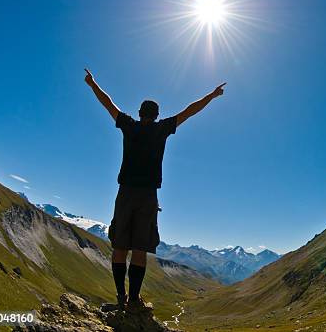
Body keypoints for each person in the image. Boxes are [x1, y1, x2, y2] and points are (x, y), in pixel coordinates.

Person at [84, 68, 225, 311]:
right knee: (140, 248)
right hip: (148, 196)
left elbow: (108, 103)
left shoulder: (128, 125)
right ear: (157, 115)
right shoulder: (161, 129)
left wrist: (92, 83)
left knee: (119, 247)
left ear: (139, 114)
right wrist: (211, 96)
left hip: (125, 193)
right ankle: (134, 301)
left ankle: (120, 297)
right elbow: (189, 111)